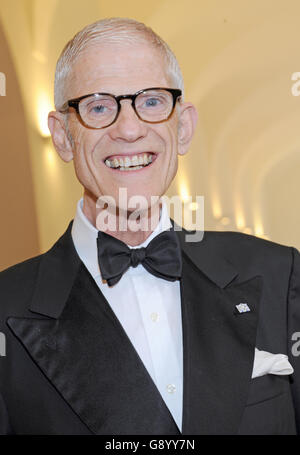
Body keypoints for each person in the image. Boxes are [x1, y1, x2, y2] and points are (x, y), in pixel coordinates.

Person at [0, 17, 299, 436]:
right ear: (63, 136)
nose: (129, 129)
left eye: (153, 101)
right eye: (99, 106)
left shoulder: (279, 273)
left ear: (183, 127)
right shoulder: (5, 309)